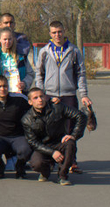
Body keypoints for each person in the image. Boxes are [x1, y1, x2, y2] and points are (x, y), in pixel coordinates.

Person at [35, 21, 92, 173]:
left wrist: (84, 94)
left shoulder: (73, 50)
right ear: (50, 34)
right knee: (49, 129)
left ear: (64, 31)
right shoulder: (45, 51)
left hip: (68, 95)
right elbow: (39, 73)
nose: (57, 35)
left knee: (70, 129)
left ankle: (71, 161)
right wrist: (41, 94)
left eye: (59, 32)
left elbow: (81, 73)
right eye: (54, 32)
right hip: (50, 95)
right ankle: (50, 160)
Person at [22, 87, 86, 185]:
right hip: (42, 146)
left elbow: (80, 116)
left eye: (41, 96)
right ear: (30, 102)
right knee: (36, 164)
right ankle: (45, 171)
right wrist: (52, 152)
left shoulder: (57, 107)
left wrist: (74, 135)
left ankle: (62, 175)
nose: (40, 100)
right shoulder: (27, 119)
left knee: (70, 144)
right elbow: (33, 142)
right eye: (35, 98)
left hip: (59, 142)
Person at [0, 27, 34, 96]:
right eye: (5, 39)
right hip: (1, 94)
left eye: (10, 39)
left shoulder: (21, 56)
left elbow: (30, 74)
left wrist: (25, 83)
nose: (7, 42)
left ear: (13, 39)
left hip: (18, 94)